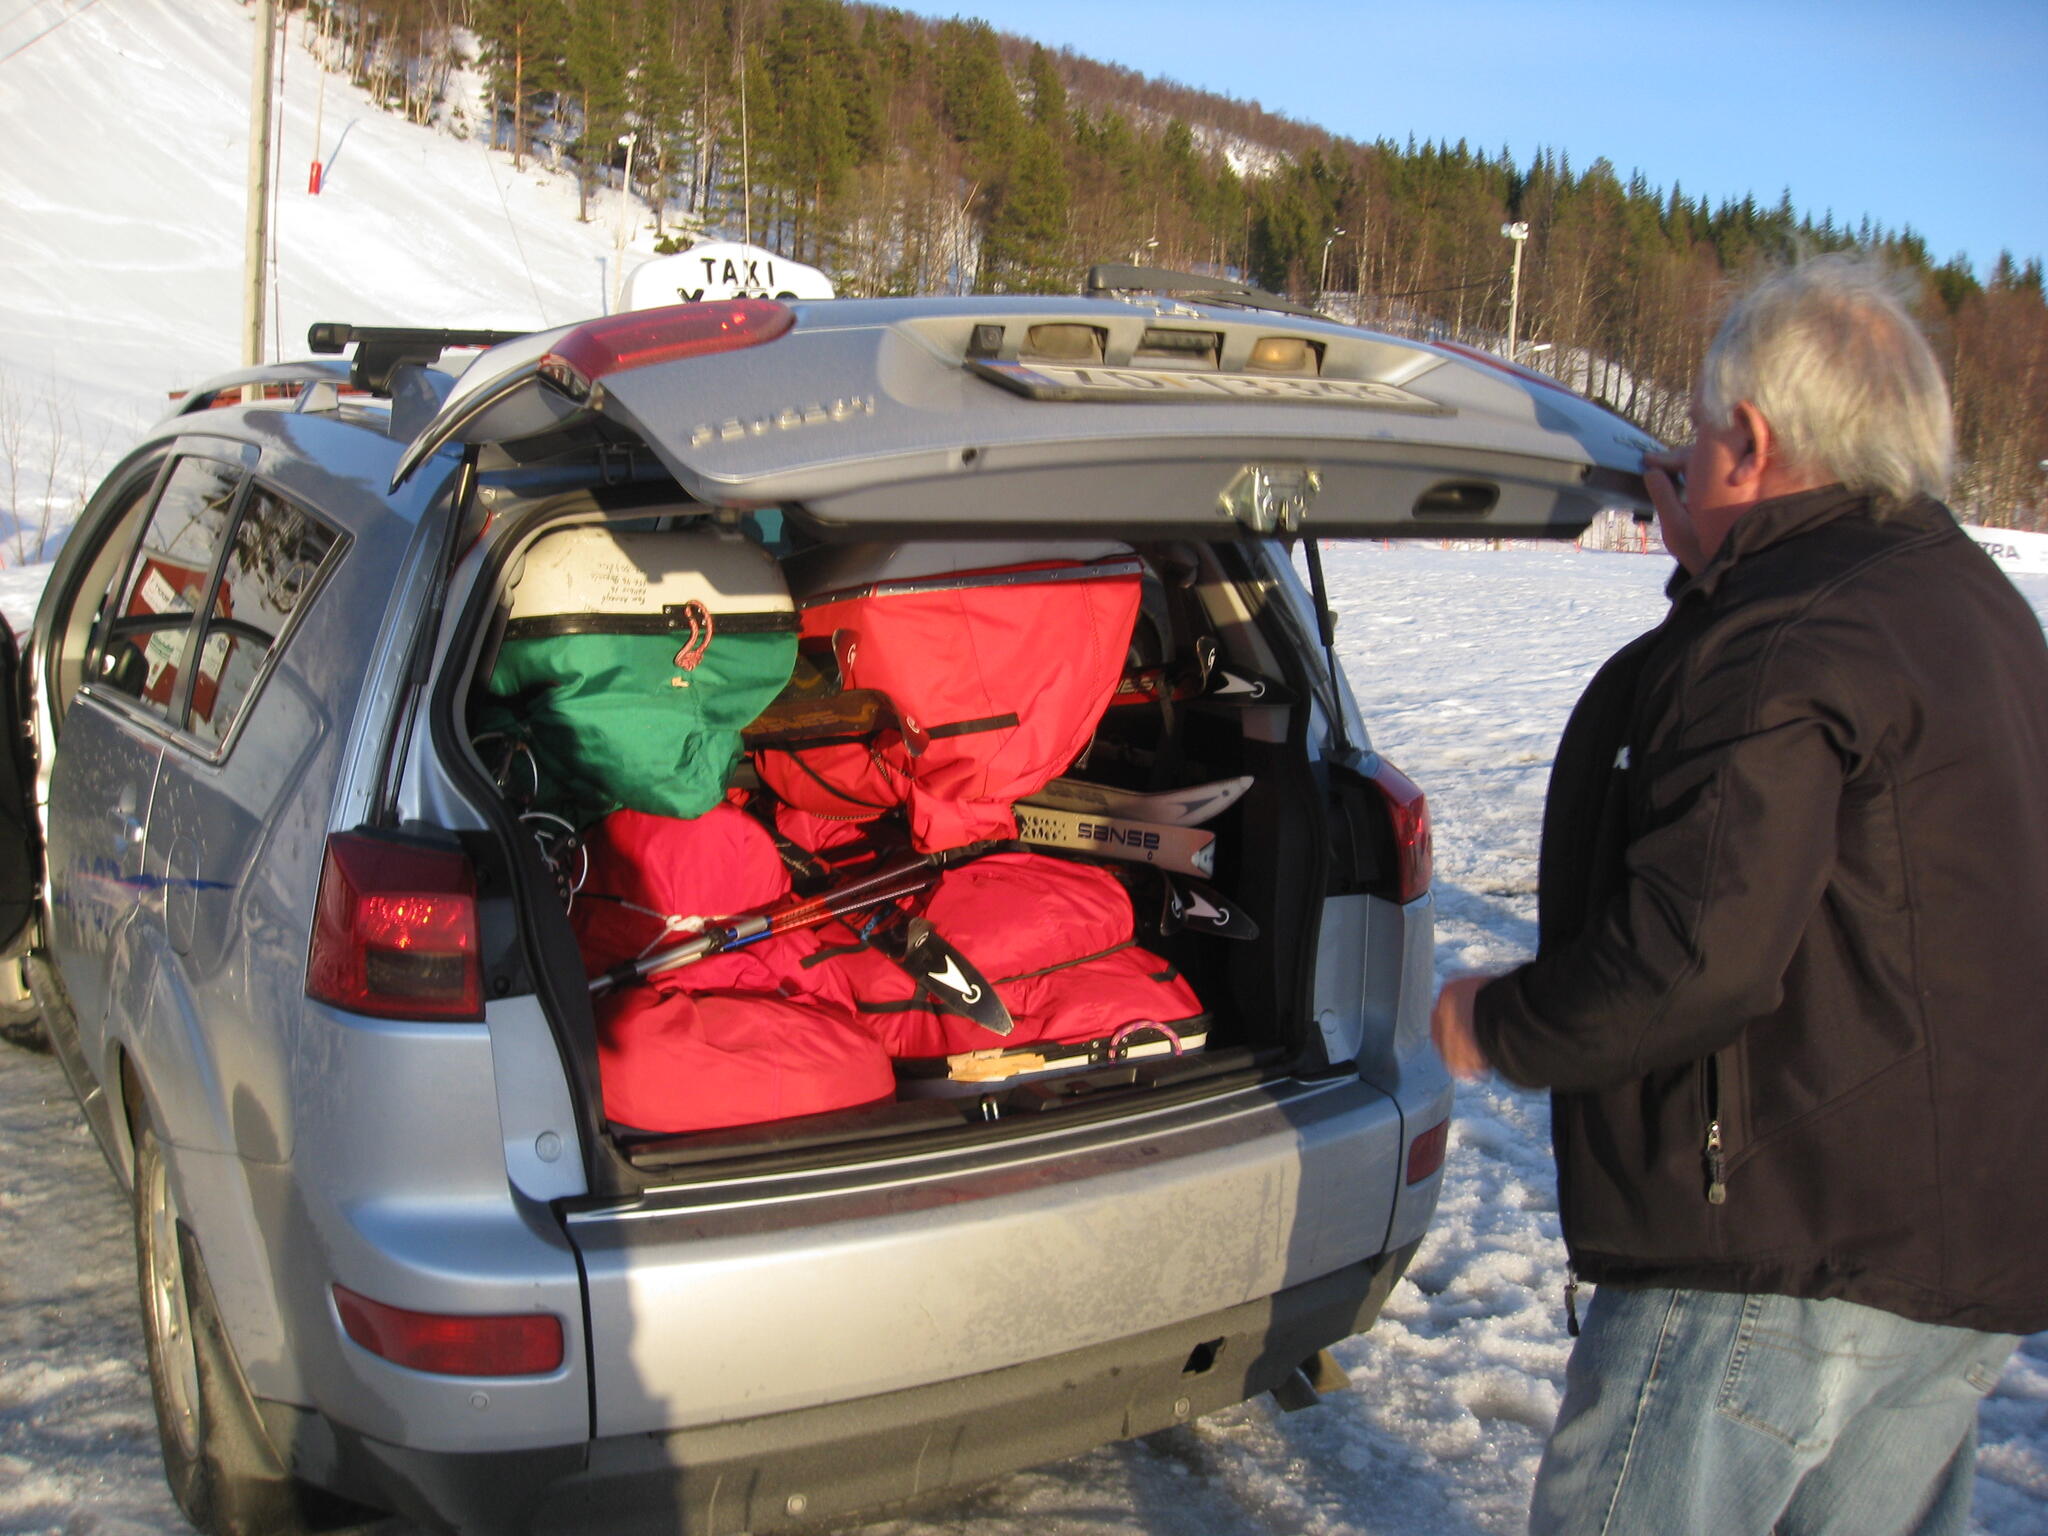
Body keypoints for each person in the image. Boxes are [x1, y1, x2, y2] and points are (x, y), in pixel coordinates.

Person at [1431, 254, 2048, 1536]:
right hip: (1964, 1262)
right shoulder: (1972, 610)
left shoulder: (1778, 636)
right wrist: (1718, 563)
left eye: (1700, 437)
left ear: (1752, 441)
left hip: (1773, 1254)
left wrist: (1493, 1021)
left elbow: (1688, 959)